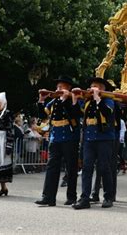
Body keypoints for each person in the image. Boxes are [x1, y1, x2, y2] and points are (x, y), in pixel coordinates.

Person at [34, 76, 82, 207]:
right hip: (55, 137)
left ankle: (72, 197)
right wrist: (41, 100)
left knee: (71, 168)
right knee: (51, 167)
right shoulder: (54, 101)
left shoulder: (74, 98)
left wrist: (67, 99)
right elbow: (43, 116)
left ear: (68, 88)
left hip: (70, 137)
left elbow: (76, 114)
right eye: (57, 87)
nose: (58, 89)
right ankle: (48, 197)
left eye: (61, 87)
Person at [73, 77, 115, 210]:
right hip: (89, 139)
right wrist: (75, 100)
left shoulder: (108, 100)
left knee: (104, 168)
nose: (91, 89)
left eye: (94, 86)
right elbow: (78, 115)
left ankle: (108, 197)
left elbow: (107, 112)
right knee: (86, 168)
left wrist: (98, 98)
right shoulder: (87, 102)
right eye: (91, 86)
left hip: (104, 138)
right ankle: (84, 198)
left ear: (102, 88)